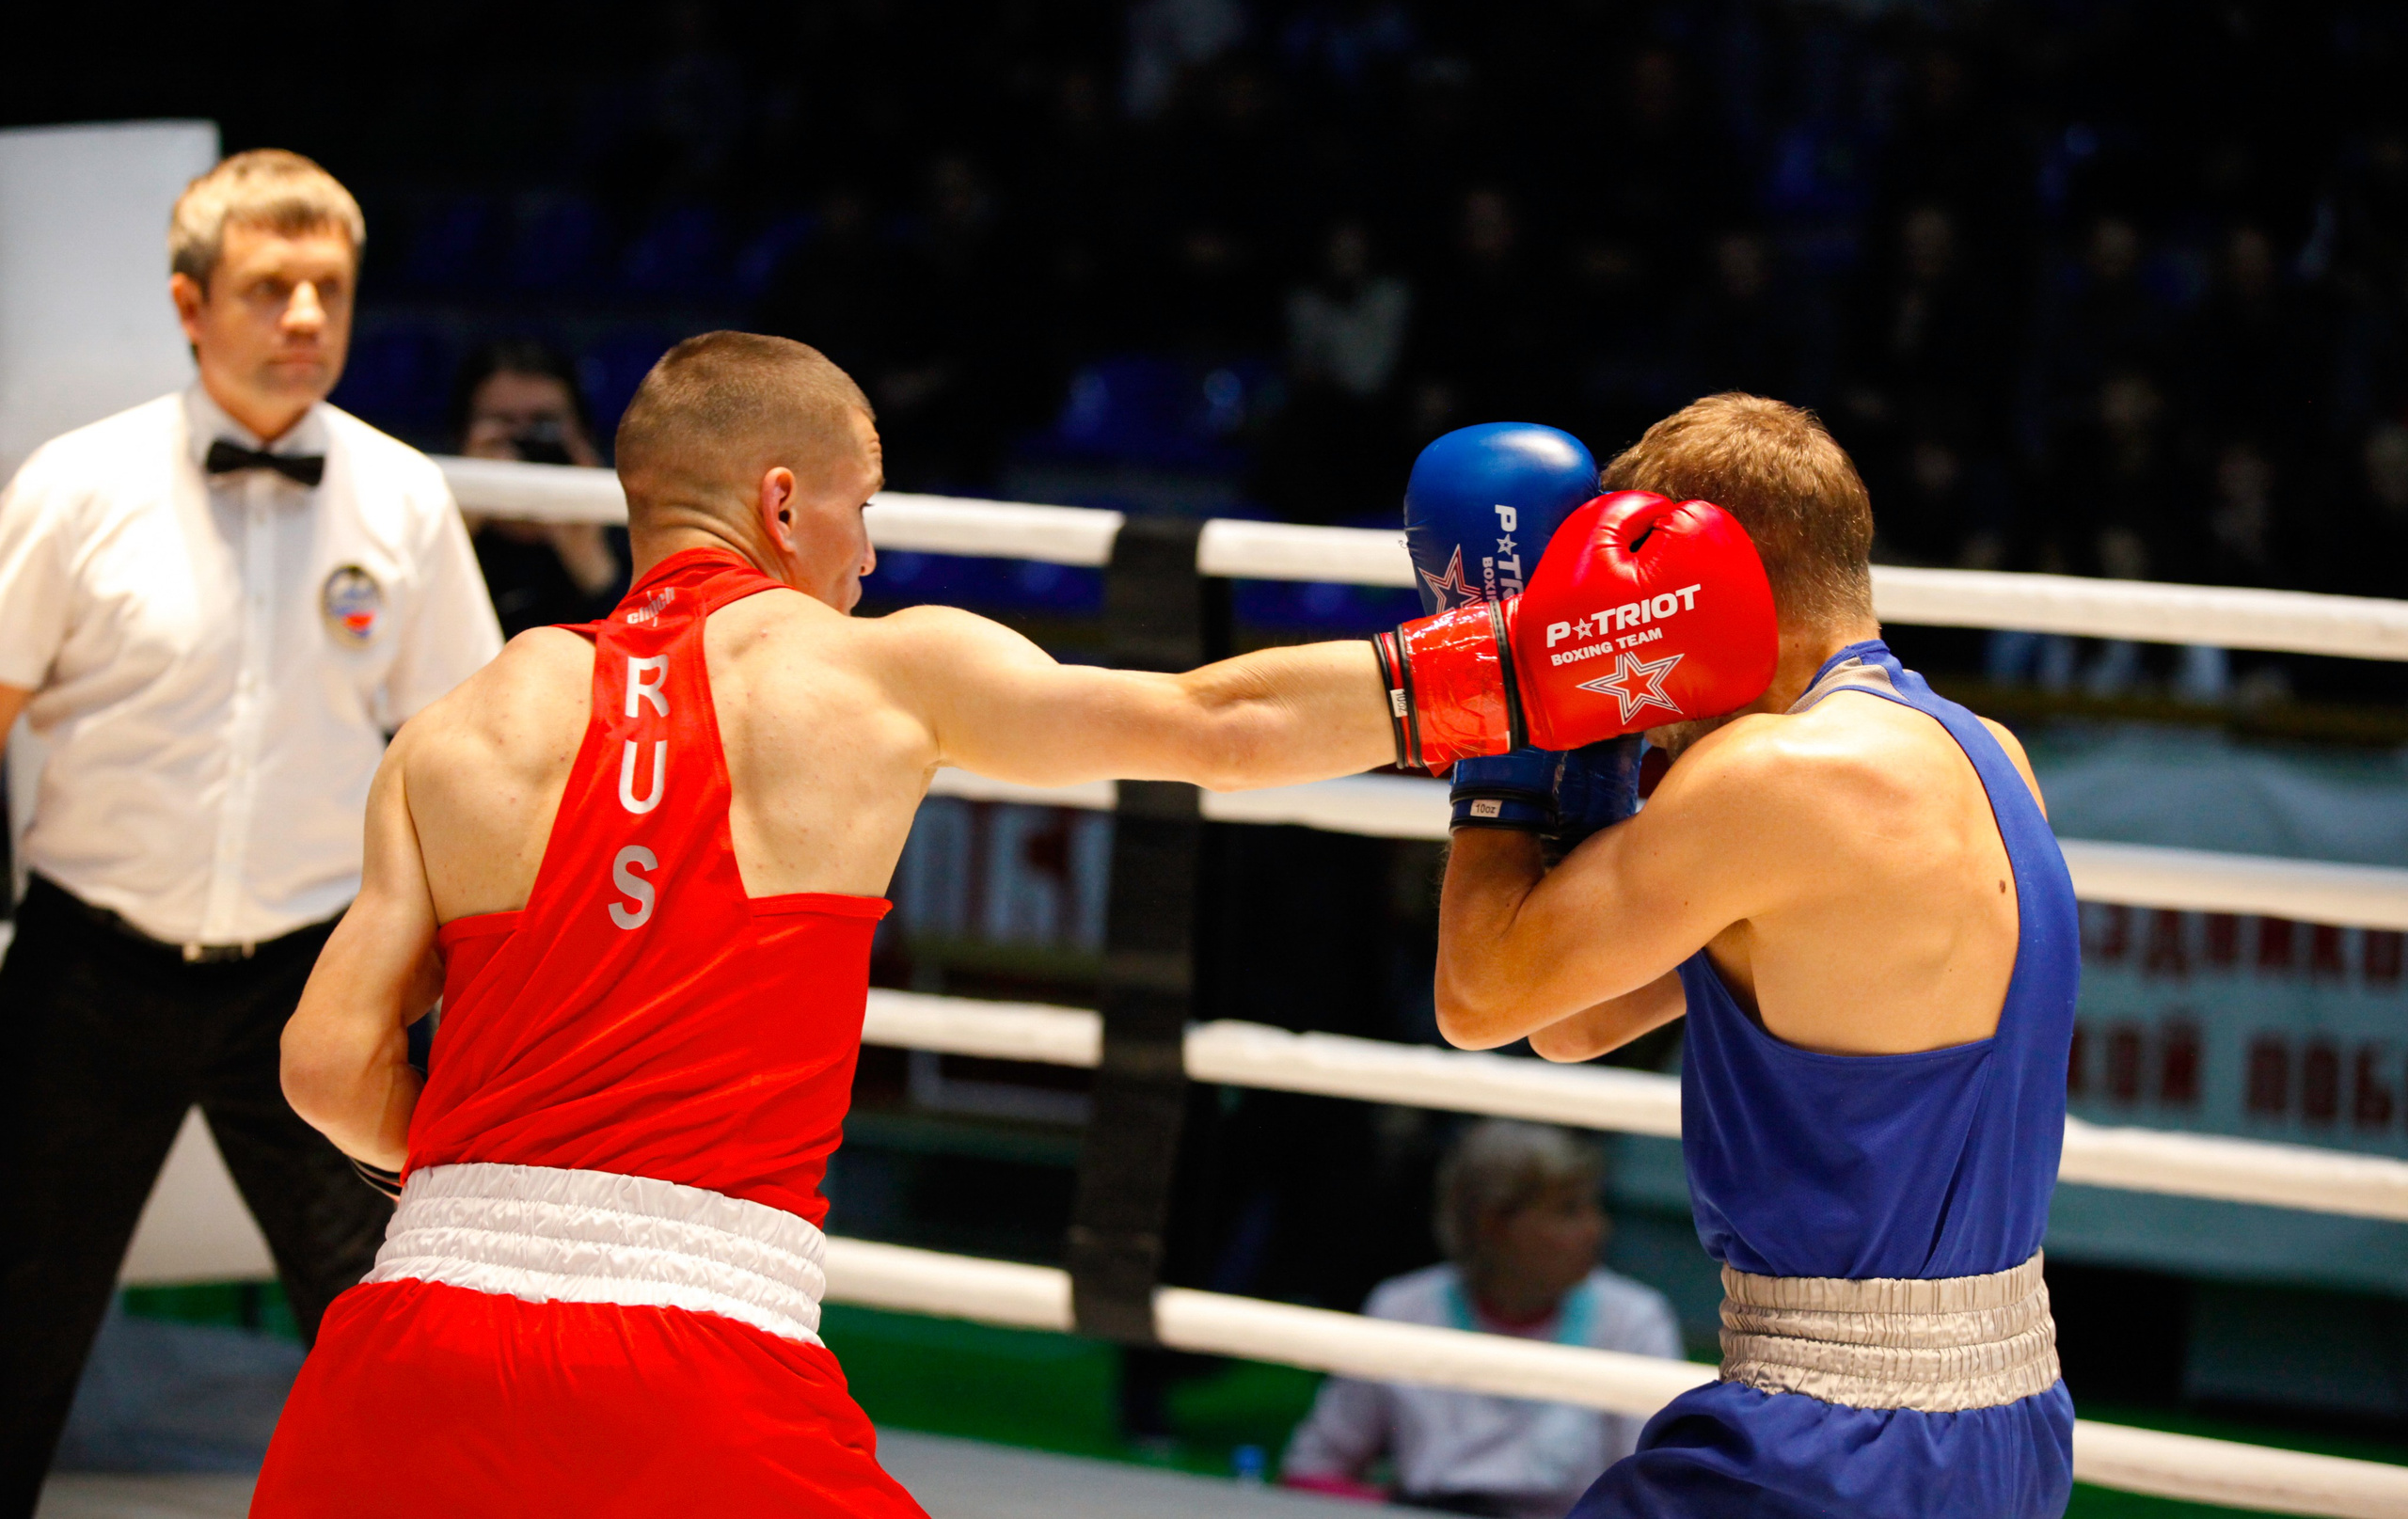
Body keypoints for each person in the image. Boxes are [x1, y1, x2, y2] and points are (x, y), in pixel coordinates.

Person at [248, 332, 1772, 1515]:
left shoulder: (460, 724)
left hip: (407, 1346)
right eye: (863, 508)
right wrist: (1514, 673)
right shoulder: (871, 671)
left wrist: (513, 1206)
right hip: (686, 1357)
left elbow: (324, 1067)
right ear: (784, 501)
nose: (870, 553)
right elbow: (1213, 725)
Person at [1434, 392, 2078, 1519]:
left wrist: (1509, 717)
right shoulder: (1987, 756)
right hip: (2005, 1431)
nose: (1618, 630)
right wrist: (1606, 751)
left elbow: (1480, 999)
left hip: (1831, 1446)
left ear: (1699, 584)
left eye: (1630, 604)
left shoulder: (1771, 782)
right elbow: (1570, 1020)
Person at [0, 150, 503, 1509]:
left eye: (326, 288)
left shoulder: (401, 498)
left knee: (395, 1310)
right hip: (87, 960)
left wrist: (457, 969)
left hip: (314, 965)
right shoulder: (75, 483)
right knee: (12, 1318)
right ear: (189, 302)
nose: (301, 318)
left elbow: (465, 750)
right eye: (269, 286)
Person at [1282, 1121, 1683, 1517]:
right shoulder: (1403, 1309)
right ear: (1494, 1223)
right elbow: (1312, 1469)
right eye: (1568, 1211)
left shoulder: (1634, 1319)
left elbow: (1653, 1494)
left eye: (1594, 1206)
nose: (1597, 1228)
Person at [449, 338, 626, 637]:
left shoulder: (632, 538)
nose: (524, 445)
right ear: (463, 440)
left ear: (583, 436)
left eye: (544, 425)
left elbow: (655, 662)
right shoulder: (427, 538)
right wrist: (453, 535)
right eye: (502, 425)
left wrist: (593, 565)